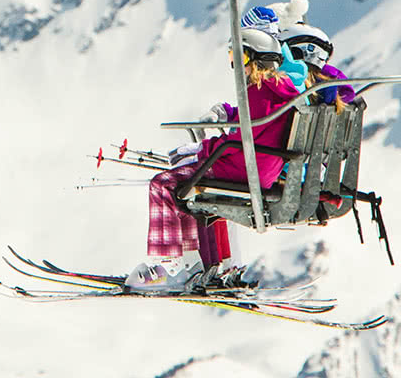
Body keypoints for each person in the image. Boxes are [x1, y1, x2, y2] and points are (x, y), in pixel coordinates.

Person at [125, 28, 301, 292]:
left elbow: (243, 138)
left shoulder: (260, 90)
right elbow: (253, 125)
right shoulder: (277, 89)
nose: (235, 66)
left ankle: (173, 265)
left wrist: (202, 149)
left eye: (238, 57)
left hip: (245, 169)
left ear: (255, 59)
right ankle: (211, 266)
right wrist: (225, 117)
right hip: (260, 167)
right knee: (195, 191)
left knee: (163, 183)